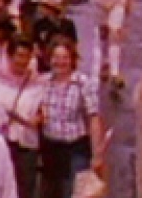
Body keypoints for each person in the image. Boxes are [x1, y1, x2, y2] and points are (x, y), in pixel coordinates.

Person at [0, 35, 45, 198]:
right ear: (9, 56)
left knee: (24, 190)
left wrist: (36, 120)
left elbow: (42, 112)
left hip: (26, 146)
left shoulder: (39, 83)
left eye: (27, 57)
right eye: (19, 56)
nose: (23, 61)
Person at [39, 41, 104, 198]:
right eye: (56, 57)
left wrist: (97, 155)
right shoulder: (42, 82)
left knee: (74, 192)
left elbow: (93, 119)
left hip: (76, 149)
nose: (60, 62)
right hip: (50, 148)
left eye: (64, 57)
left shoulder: (83, 84)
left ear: (72, 60)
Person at [30, 0, 77, 73]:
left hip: (65, 67)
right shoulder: (38, 25)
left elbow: (74, 47)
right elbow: (35, 48)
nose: (39, 8)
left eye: (41, 5)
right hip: (43, 70)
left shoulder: (68, 25)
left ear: (50, 7)